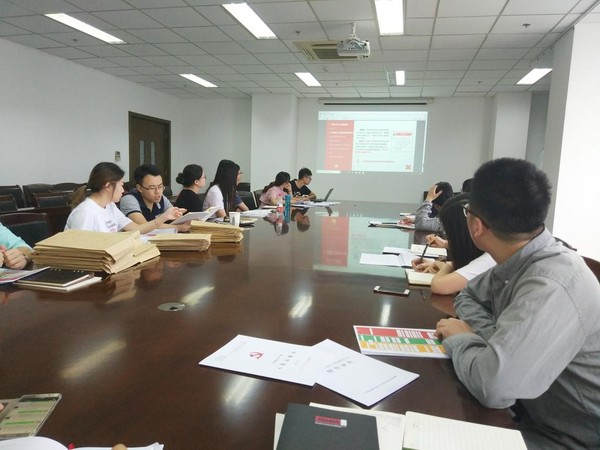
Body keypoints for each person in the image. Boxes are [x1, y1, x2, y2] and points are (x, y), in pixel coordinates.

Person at [435, 158, 600, 449]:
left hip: (571, 437)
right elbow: (468, 296)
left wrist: (464, 339)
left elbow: (493, 387)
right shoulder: (521, 259)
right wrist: (496, 341)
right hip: (534, 413)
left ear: (476, 225)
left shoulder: (551, 282)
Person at [411, 194, 495, 295]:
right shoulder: (492, 251)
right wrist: (441, 263)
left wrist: (445, 268)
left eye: (450, 235)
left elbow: (439, 286)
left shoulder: (490, 259)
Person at [66, 162, 183, 233]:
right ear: (108, 186)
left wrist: (164, 217)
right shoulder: (85, 212)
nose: (123, 190)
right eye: (121, 185)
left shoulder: (110, 206)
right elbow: (79, 252)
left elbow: (138, 228)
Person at [119, 164, 189, 232]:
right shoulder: (129, 199)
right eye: (152, 188)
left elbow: (173, 214)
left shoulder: (161, 198)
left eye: (160, 186)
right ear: (139, 188)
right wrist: (179, 227)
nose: (157, 192)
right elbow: (144, 226)